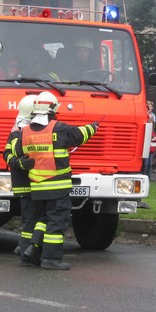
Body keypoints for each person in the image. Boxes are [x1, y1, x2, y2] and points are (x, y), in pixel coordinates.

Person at [17, 91, 98, 270]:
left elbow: (18, 154)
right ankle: (51, 259)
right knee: (56, 224)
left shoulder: (26, 131)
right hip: (57, 187)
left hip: (37, 187)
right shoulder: (58, 128)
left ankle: (30, 252)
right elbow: (79, 135)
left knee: (42, 220)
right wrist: (94, 126)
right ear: (52, 109)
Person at [3, 95, 43, 265]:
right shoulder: (21, 132)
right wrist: (19, 162)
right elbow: (8, 154)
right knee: (32, 218)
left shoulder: (17, 129)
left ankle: (24, 246)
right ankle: (27, 250)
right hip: (29, 184)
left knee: (31, 218)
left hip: (30, 183)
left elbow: (7, 154)